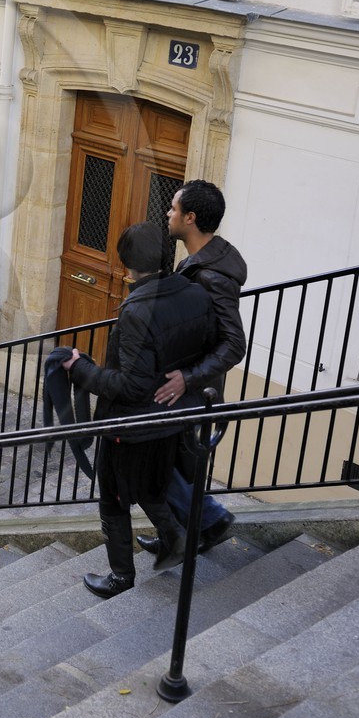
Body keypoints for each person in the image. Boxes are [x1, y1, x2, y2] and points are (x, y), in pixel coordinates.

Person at [62, 221, 217, 599]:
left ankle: (121, 577)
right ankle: (175, 538)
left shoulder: (137, 311)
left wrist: (80, 370)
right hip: (171, 418)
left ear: (127, 263)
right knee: (151, 487)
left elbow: (131, 386)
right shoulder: (195, 294)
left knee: (113, 499)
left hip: (131, 426)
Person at [138, 179, 248, 556]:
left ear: (190, 218)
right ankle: (178, 533)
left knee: (148, 455)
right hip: (187, 381)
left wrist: (187, 378)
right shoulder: (200, 261)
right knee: (171, 461)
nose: (168, 213)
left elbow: (234, 343)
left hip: (192, 388)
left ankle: (211, 519)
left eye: (174, 208)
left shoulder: (212, 276)